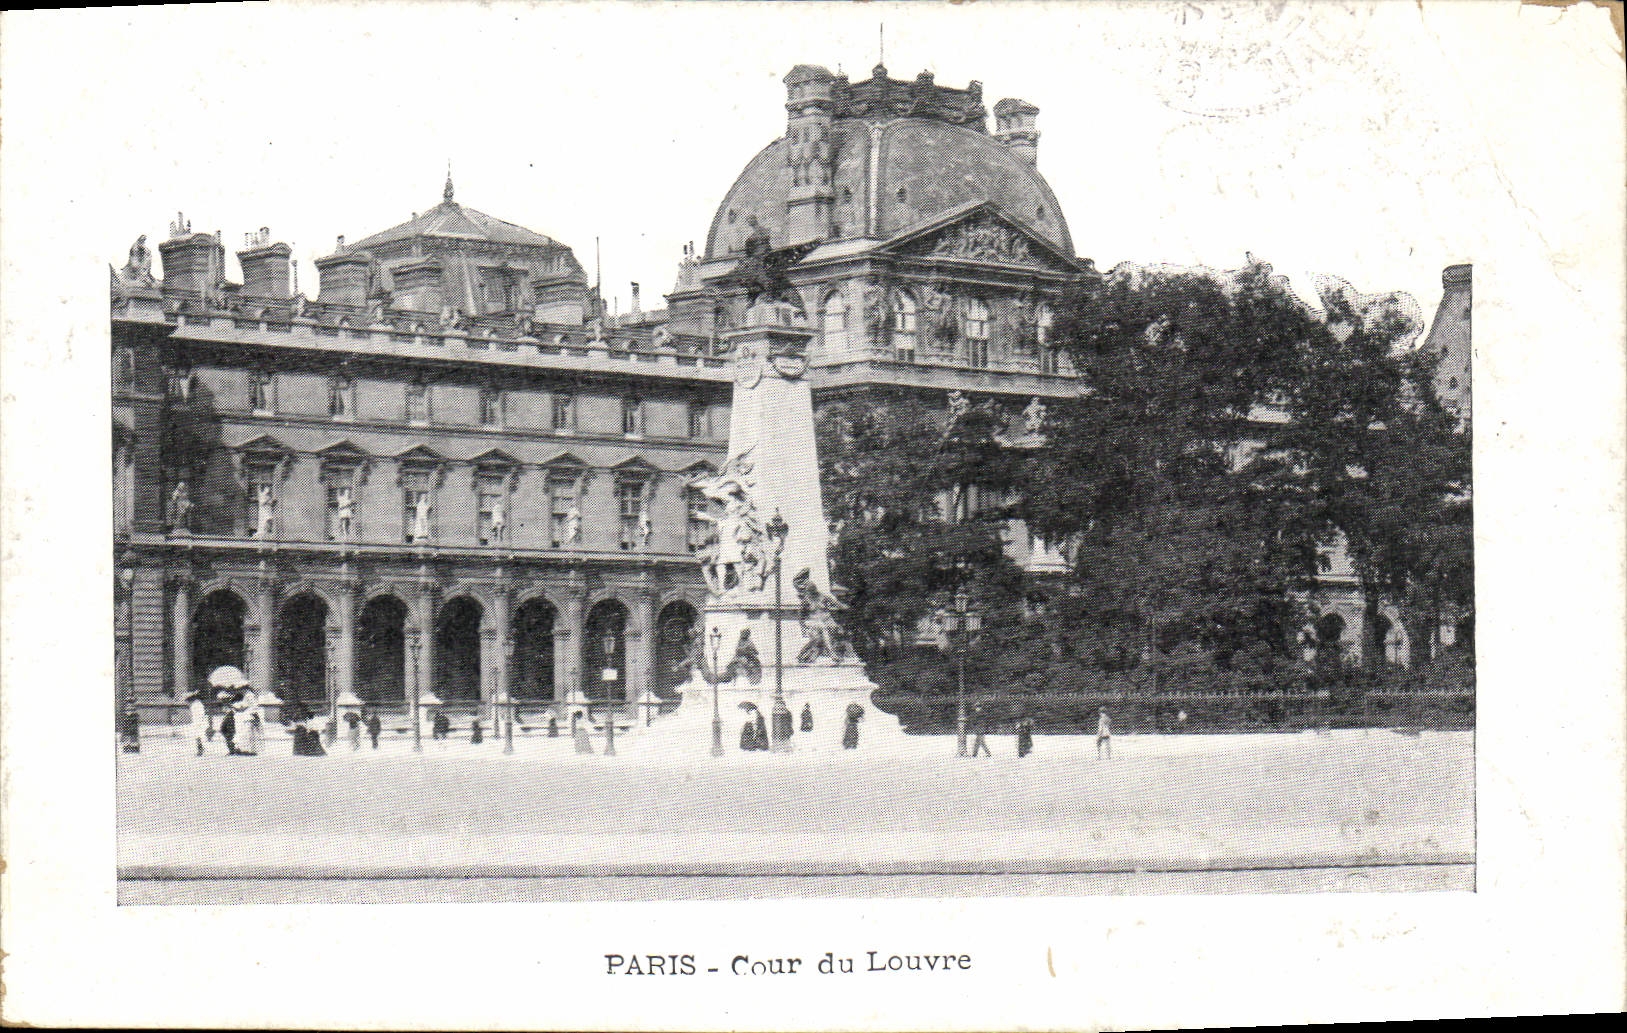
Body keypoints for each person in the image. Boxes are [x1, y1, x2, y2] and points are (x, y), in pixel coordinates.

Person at [187, 691, 210, 757]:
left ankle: (200, 750)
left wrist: (198, 723)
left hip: (199, 722)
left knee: (199, 736)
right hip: (197, 722)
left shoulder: (197, 704)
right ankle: (200, 749)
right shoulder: (196, 704)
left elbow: (200, 714)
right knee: (198, 736)